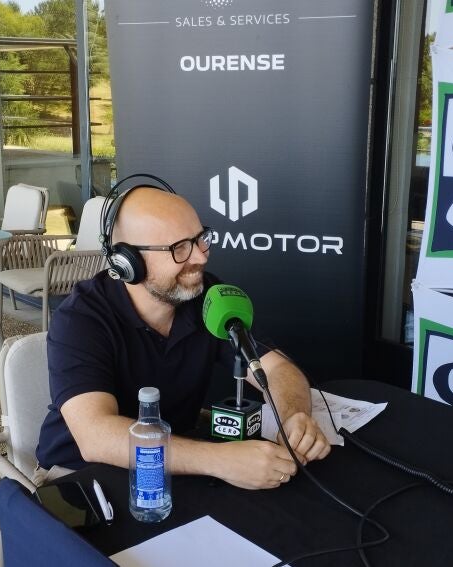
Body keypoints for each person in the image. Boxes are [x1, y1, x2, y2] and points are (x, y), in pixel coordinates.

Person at [34, 185, 331, 488]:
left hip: (176, 462)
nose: (201, 257)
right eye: (179, 248)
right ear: (128, 262)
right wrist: (220, 460)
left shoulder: (207, 297)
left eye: (201, 238)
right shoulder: (80, 319)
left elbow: (277, 368)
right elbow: (96, 436)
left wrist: (294, 417)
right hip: (80, 476)